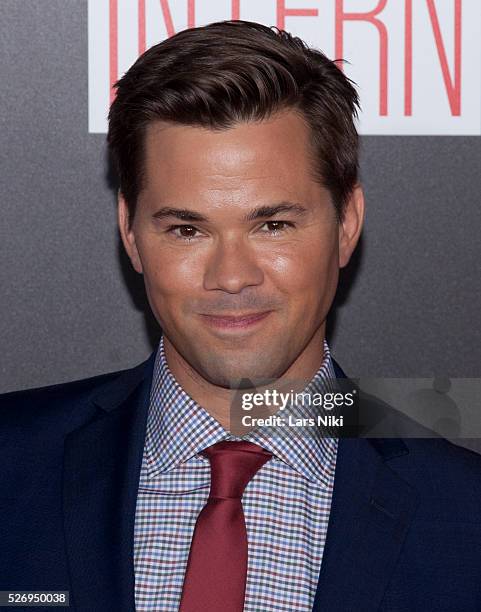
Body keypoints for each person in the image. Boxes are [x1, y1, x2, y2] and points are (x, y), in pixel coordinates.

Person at [1, 20, 480, 612]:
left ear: (347, 223)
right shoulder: (9, 466)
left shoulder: (466, 518)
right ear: (130, 232)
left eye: (272, 225)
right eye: (186, 229)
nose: (231, 276)